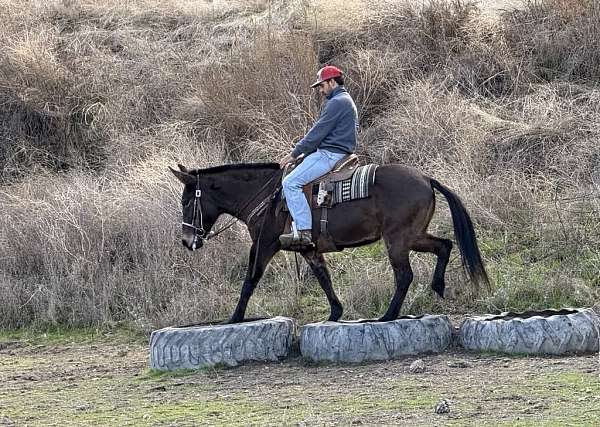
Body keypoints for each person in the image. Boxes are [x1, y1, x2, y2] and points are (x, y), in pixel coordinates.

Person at [278, 65, 359, 248]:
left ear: (331, 82)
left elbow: (316, 134)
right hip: (339, 152)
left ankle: (303, 231)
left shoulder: (337, 102)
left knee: (290, 183)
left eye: (322, 86)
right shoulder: (346, 100)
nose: (321, 91)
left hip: (329, 154)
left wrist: (293, 154)